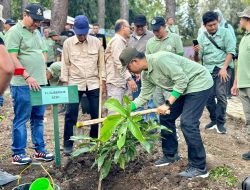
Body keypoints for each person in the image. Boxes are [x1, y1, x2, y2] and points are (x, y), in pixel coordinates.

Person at [119, 47, 213, 178]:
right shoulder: (146, 74)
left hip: (199, 82)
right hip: (184, 88)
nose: (130, 72)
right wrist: (125, 110)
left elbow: (182, 80)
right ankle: (171, 155)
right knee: (165, 117)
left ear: (134, 61)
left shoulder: (161, 59)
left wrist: (167, 103)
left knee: (188, 123)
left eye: (129, 68)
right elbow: (144, 96)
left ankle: (199, 167)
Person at [5, 3, 54, 165]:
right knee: (21, 118)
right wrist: (27, 76)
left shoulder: (36, 32)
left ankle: (40, 150)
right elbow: (12, 59)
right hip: (22, 84)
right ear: (25, 15)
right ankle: (18, 153)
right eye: (35, 20)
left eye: (40, 21)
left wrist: (42, 71)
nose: (37, 24)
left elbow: (40, 53)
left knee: (38, 118)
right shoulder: (14, 32)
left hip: (39, 83)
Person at [61, 15, 106, 155]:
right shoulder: (68, 43)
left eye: (84, 33)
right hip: (75, 83)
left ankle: (94, 142)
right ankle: (68, 144)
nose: (81, 36)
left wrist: (102, 81)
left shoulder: (96, 42)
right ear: (74, 30)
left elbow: (101, 64)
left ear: (88, 30)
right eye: (79, 33)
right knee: (70, 115)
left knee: (95, 114)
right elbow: (65, 64)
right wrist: (65, 83)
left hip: (93, 83)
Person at [193, 11, 236, 134]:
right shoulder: (201, 37)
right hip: (208, 69)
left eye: (214, 24)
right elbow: (198, 59)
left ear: (218, 21)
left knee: (221, 95)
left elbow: (231, 52)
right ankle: (214, 120)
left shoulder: (225, 33)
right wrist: (196, 52)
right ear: (204, 25)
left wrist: (224, 68)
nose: (212, 27)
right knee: (208, 97)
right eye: (209, 25)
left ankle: (221, 122)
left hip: (223, 67)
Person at [146, 16, 184, 108]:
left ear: (165, 26)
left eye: (158, 30)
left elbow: (180, 58)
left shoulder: (175, 38)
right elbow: (147, 61)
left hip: (171, 81)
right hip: (157, 82)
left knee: (171, 106)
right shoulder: (150, 42)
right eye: (153, 30)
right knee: (158, 106)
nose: (155, 33)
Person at [231, 6, 250, 161]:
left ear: (248, 19)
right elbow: (241, 63)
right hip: (244, 85)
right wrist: (236, 82)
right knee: (249, 119)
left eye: (242, 18)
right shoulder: (244, 38)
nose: (240, 20)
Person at [105, 19, 137, 107]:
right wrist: (129, 79)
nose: (130, 30)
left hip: (120, 82)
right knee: (115, 113)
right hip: (115, 83)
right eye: (129, 28)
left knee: (122, 113)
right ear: (123, 28)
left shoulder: (122, 41)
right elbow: (119, 62)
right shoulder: (117, 41)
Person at [128, 14, 154, 119]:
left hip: (149, 73)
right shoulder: (128, 38)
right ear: (134, 26)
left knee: (151, 99)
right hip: (134, 74)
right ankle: (140, 123)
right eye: (137, 26)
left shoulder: (152, 36)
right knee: (137, 99)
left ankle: (153, 122)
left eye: (141, 26)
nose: (139, 28)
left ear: (146, 25)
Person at [214, 9, 237, 99]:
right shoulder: (214, 27)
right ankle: (220, 94)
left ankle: (229, 92)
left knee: (229, 71)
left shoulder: (228, 26)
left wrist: (231, 49)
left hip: (228, 52)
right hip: (217, 56)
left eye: (218, 15)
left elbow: (233, 38)